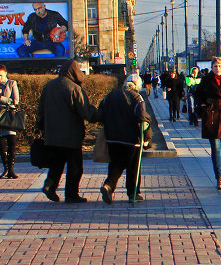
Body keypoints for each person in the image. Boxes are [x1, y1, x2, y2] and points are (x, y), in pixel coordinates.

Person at [37, 60, 101, 203]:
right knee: (75, 167)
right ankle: (71, 195)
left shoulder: (49, 86)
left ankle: (49, 185)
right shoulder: (74, 88)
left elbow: (40, 110)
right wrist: (100, 115)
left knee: (56, 164)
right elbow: (86, 111)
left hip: (52, 135)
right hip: (71, 136)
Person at [98, 74, 152, 204]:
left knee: (116, 164)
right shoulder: (137, 98)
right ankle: (133, 193)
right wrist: (147, 137)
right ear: (137, 86)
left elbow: (100, 113)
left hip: (112, 138)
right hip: (131, 139)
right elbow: (142, 118)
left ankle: (108, 186)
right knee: (133, 167)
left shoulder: (110, 95)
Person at [194, 57, 221, 190]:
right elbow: (197, 93)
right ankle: (220, 178)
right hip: (211, 114)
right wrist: (203, 106)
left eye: (219, 66)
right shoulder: (207, 80)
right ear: (212, 67)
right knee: (216, 148)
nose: (217, 68)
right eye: (215, 66)